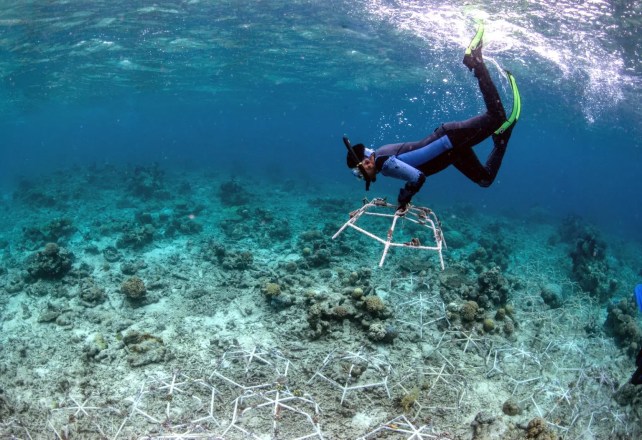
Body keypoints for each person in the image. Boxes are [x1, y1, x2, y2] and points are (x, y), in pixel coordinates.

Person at [344, 22, 521, 214]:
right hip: (452, 151)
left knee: (496, 117)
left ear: (367, 162)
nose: (363, 175)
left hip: (450, 140)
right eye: (359, 175)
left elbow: (418, 177)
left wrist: (404, 198)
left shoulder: (383, 163)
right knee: (484, 179)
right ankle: (501, 138)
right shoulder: (377, 156)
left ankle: (475, 61)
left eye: (360, 172)